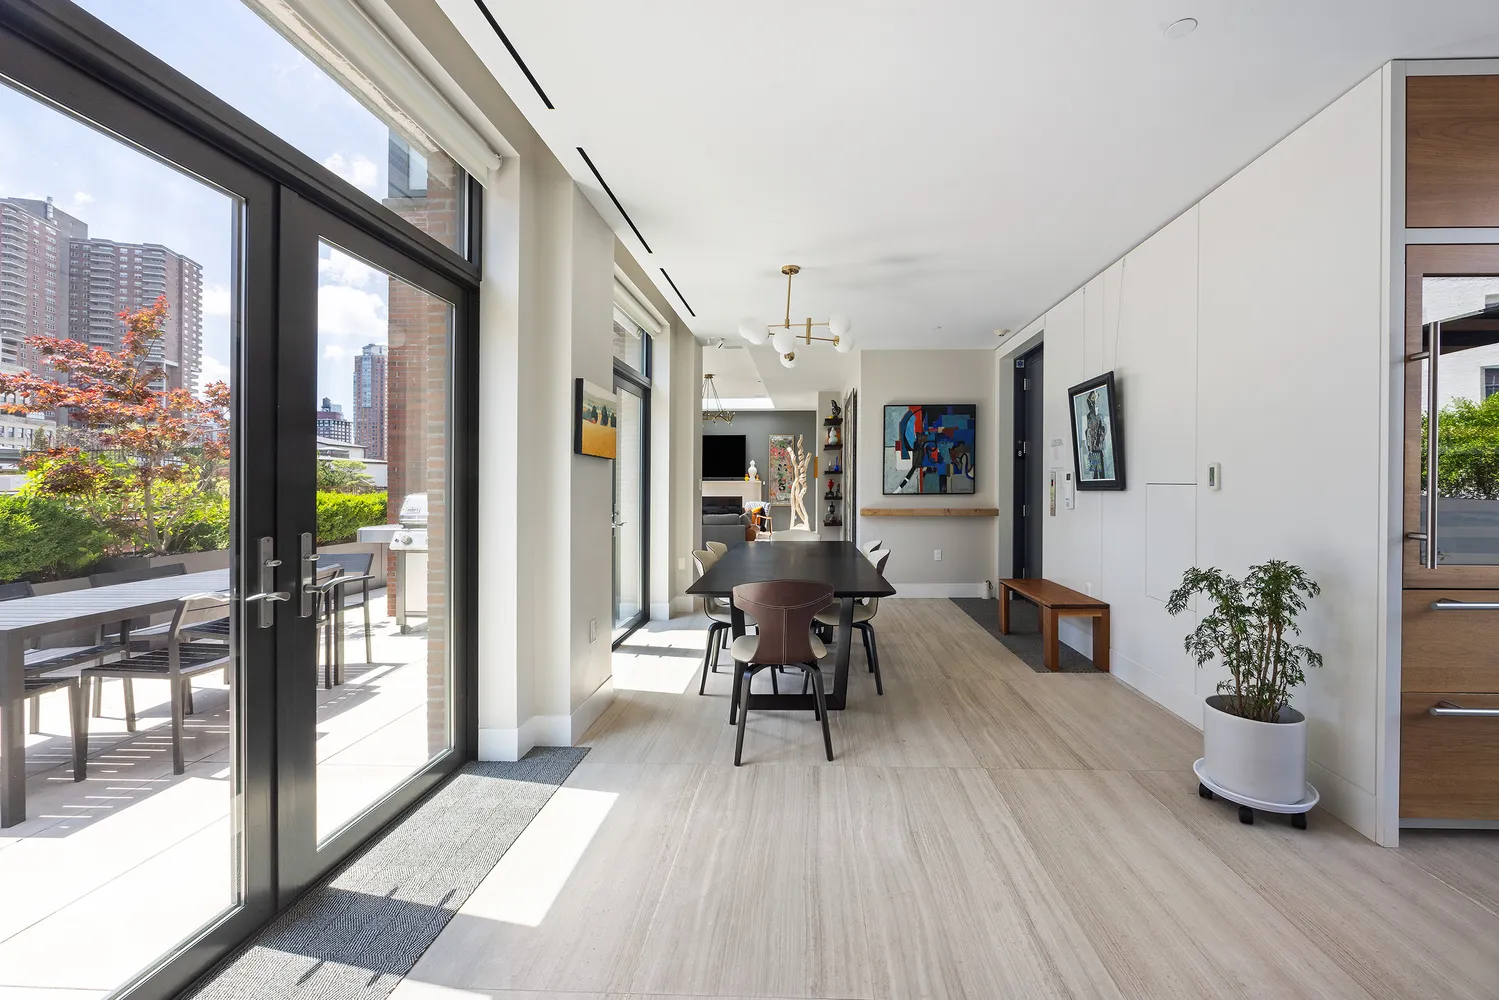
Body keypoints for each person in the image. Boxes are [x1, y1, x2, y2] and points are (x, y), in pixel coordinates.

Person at [1084, 390, 1108, 480]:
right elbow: (1089, 430)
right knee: (1096, 472)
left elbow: (1103, 430)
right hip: (1094, 446)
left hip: (1097, 446)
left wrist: (1101, 432)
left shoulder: (1098, 417)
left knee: (1100, 472)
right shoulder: (1091, 416)